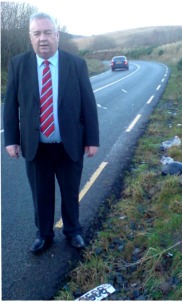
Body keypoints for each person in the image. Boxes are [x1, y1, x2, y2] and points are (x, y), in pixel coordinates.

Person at [4, 12, 99, 254]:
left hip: (69, 144)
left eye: (47, 33)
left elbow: (88, 103)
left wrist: (92, 140)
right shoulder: (18, 64)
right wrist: (11, 140)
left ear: (57, 35)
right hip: (37, 147)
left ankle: (73, 231)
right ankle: (43, 235)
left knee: (70, 192)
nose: (43, 38)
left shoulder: (76, 64)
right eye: (37, 33)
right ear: (30, 37)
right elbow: (10, 105)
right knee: (41, 195)